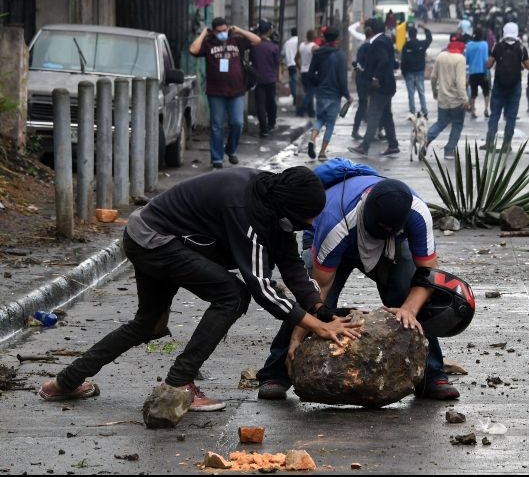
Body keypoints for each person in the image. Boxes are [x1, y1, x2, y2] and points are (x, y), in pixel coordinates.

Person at [38, 167, 363, 415]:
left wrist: (319, 308)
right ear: (288, 208)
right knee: (232, 295)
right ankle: (180, 383)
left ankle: (63, 382)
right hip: (155, 240)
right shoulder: (245, 208)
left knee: (149, 324)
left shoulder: (274, 201)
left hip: (153, 235)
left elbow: (291, 264)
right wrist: (315, 325)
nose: (304, 227)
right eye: (302, 221)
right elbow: (261, 285)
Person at [257, 176, 460, 401]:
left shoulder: (417, 213)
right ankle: (276, 372)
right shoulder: (337, 222)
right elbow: (317, 290)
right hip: (343, 236)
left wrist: (410, 309)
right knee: (312, 294)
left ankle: (431, 374)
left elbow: (429, 274)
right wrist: (297, 338)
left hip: (393, 243)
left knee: (407, 294)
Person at [189, 17, 260, 168]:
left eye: (225, 30)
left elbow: (256, 40)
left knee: (237, 123)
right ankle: (217, 158)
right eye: (219, 31)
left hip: (236, 91)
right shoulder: (208, 44)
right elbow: (193, 50)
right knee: (217, 126)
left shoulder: (236, 41)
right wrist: (203, 33)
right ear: (214, 31)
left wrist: (239, 30)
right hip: (216, 92)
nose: (223, 33)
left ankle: (231, 149)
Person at [348, 18, 400, 157]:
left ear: (371, 29)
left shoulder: (378, 43)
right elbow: (390, 61)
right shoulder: (385, 39)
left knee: (373, 115)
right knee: (386, 116)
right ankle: (393, 145)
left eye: (367, 27)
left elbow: (383, 60)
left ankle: (364, 146)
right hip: (388, 85)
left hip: (381, 87)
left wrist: (376, 78)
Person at [483, 22, 529, 153]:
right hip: (515, 86)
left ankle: (490, 142)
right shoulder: (521, 48)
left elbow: (489, 65)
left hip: (499, 85)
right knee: (511, 116)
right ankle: (506, 144)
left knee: (495, 114)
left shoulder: (497, 46)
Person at [307, 27, 351, 161]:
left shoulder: (318, 53)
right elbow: (342, 79)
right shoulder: (340, 55)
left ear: (324, 38)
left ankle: (312, 139)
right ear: (337, 39)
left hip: (320, 92)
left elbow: (310, 74)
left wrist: (317, 83)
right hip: (334, 94)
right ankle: (322, 152)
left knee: (320, 119)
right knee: (330, 123)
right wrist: (347, 95)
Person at [426, 35, 469, 159]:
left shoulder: (441, 56)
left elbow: (433, 77)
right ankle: (449, 150)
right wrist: (465, 99)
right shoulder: (460, 59)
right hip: (456, 100)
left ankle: (427, 138)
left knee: (441, 122)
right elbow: (461, 83)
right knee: (457, 124)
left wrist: (435, 92)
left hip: (443, 98)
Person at [251, 20, 280, 138]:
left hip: (257, 79)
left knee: (260, 104)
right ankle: (271, 123)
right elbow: (276, 63)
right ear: (269, 31)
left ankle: (263, 129)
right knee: (271, 102)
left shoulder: (254, 46)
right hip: (270, 79)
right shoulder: (274, 47)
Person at [401, 24, 433, 118]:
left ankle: (412, 111)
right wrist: (424, 28)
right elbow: (429, 38)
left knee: (411, 94)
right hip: (419, 72)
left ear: (409, 35)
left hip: (409, 73)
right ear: (416, 34)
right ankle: (424, 110)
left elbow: (403, 62)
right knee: (421, 92)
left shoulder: (406, 46)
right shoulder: (421, 44)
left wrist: (404, 73)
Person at [349, 19, 373, 140]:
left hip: (362, 80)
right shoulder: (369, 47)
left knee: (363, 105)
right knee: (371, 105)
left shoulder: (362, 46)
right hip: (366, 80)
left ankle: (356, 129)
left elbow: (356, 64)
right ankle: (370, 131)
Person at [466, 26, 490, 119]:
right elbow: (486, 59)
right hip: (483, 71)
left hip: (473, 72)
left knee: (473, 93)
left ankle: (472, 111)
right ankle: (486, 109)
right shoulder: (485, 44)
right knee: (486, 92)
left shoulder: (469, 45)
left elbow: (467, 59)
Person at [296, 30, 319, 117]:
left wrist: (300, 67)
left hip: (304, 72)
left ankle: (311, 112)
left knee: (308, 92)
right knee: (310, 93)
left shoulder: (302, 45)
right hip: (312, 73)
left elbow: (296, 58)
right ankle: (300, 111)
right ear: (314, 37)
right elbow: (319, 59)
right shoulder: (314, 47)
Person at [282, 27, 299, 106]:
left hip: (290, 64)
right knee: (298, 82)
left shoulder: (287, 43)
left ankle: (295, 97)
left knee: (292, 81)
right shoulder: (299, 41)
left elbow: (283, 53)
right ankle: (298, 98)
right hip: (298, 64)